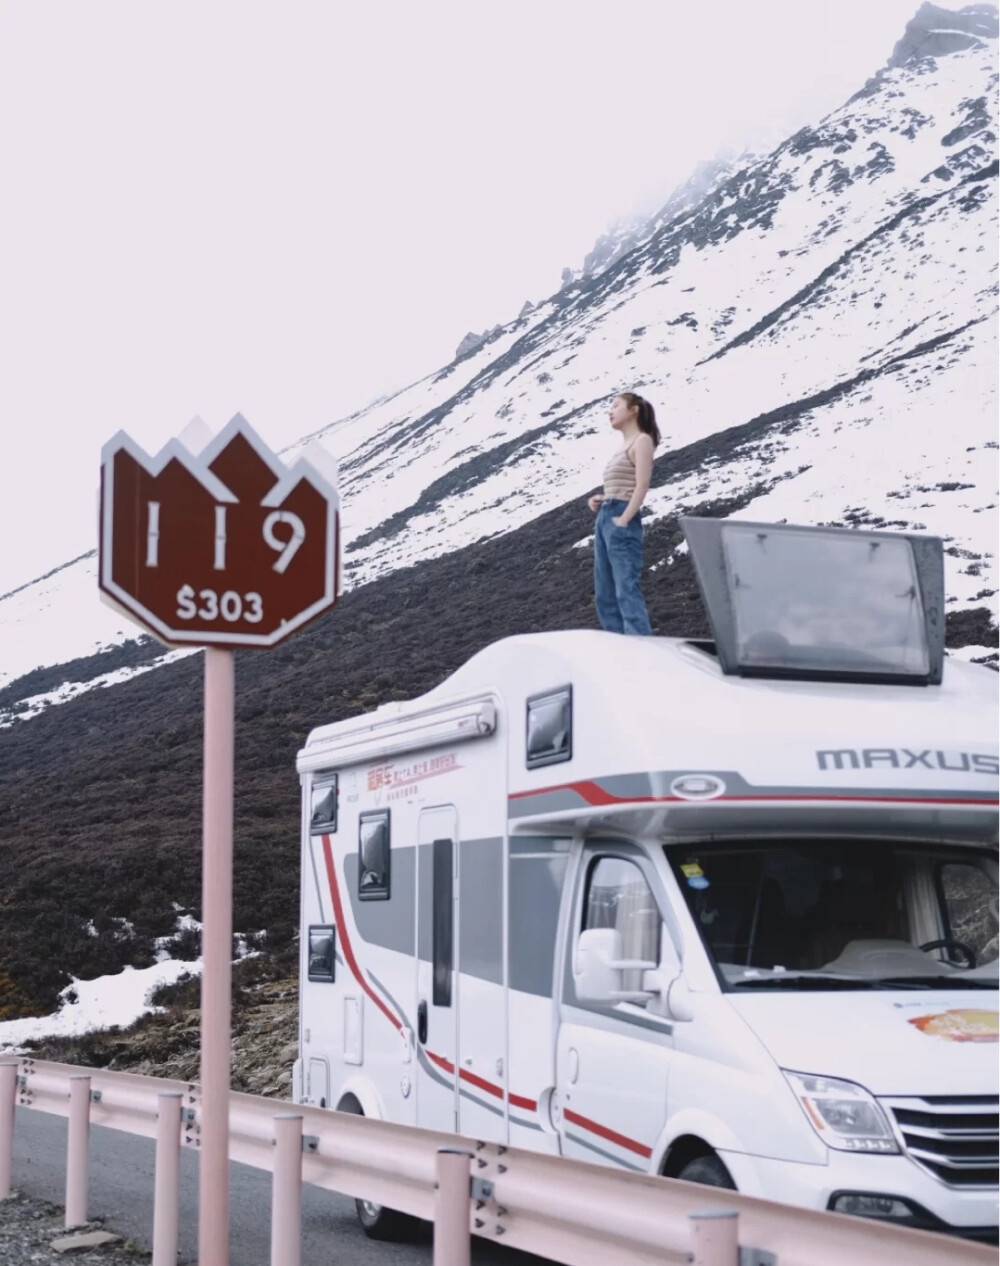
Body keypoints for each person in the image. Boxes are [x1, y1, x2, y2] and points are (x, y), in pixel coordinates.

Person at [587, 392, 660, 635]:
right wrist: (601, 499)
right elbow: (622, 484)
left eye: (616, 405)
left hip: (620, 517)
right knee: (604, 593)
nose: (611, 410)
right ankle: (620, 645)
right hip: (606, 516)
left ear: (634, 410)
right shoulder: (623, 447)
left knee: (626, 588)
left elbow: (641, 485)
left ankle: (641, 645)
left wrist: (625, 518)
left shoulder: (642, 441)